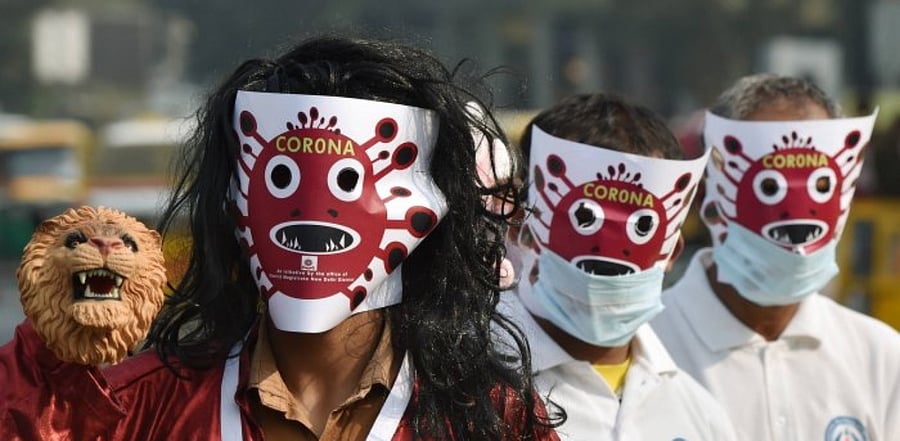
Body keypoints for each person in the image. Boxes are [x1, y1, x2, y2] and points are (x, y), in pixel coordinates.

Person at [0, 36, 559, 441]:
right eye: (281, 179)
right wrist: (49, 359)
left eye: (348, 183)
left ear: (425, 210)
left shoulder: (494, 423)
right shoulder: (129, 412)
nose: (310, 215)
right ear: (235, 203)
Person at [652, 73, 900, 440]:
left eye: (818, 186)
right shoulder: (648, 351)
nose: (795, 212)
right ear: (712, 194)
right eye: (770, 186)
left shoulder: (879, 356)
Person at [499, 93, 737, 440]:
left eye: (642, 228)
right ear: (522, 229)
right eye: (583, 219)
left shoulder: (698, 415)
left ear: (671, 251)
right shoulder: (456, 389)